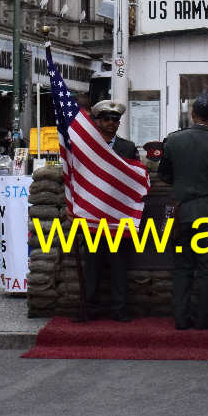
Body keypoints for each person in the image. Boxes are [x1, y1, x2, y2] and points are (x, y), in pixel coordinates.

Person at [158, 93, 208, 330]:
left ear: (192, 114)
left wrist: (180, 184)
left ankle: (181, 320)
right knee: (206, 269)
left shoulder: (173, 141)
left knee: (182, 267)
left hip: (181, 215)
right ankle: (203, 320)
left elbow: (163, 174)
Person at [78, 100, 138, 322]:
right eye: (106, 119)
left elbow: (136, 181)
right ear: (97, 121)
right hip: (92, 215)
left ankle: (119, 309)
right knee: (92, 265)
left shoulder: (128, 148)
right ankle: (89, 308)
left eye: (115, 119)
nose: (111, 123)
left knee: (119, 266)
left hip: (118, 217)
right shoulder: (86, 146)